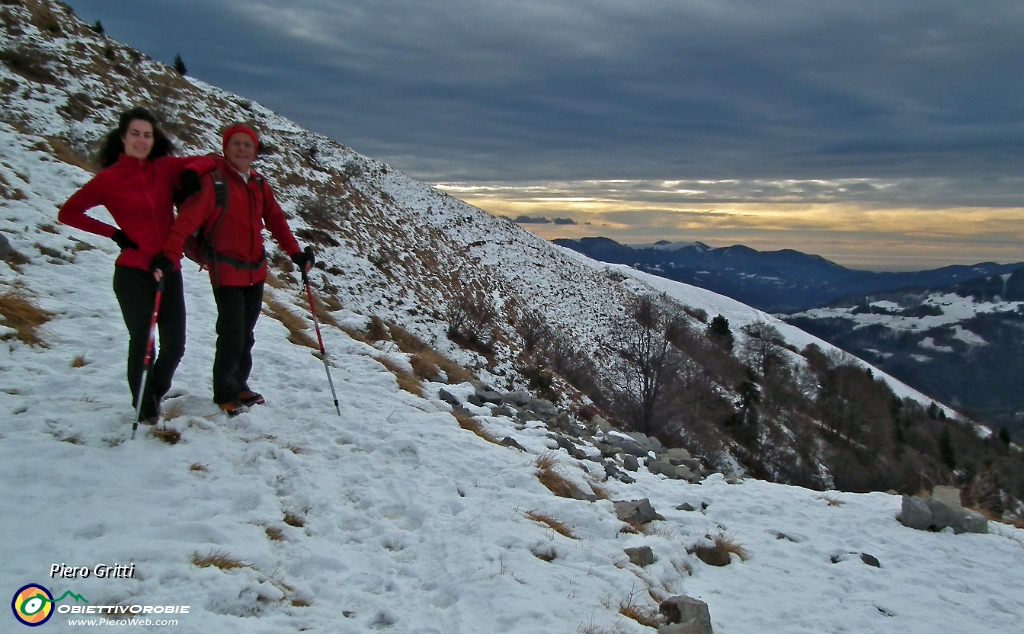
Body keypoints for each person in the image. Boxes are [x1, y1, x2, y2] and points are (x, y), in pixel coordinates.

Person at [154, 124, 313, 416]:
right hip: (225, 270)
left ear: (254, 152)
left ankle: (239, 385)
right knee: (231, 332)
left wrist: (296, 254)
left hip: (255, 270)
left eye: (247, 145)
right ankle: (225, 392)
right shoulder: (214, 183)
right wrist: (169, 255)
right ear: (226, 148)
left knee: (246, 333)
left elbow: (277, 222)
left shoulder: (260, 185)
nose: (242, 149)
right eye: (236, 144)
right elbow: (186, 222)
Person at [58, 107, 196, 424]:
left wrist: (190, 181)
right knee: (143, 342)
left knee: (175, 345)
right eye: (135, 133)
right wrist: (114, 233)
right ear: (123, 137)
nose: (141, 140)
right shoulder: (109, 180)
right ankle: (144, 408)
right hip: (134, 272)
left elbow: (205, 162)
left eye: (147, 135)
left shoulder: (164, 169)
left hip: (170, 269)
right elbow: (69, 213)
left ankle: (153, 395)